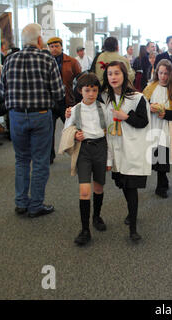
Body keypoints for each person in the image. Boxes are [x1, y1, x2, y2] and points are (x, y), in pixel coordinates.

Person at [0, 23, 65, 217]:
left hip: (16, 116)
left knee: (21, 160)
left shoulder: (9, 60)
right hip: (41, 116)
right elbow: (59, 92)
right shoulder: (47, 59)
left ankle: (21, 202)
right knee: (40, 161)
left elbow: (2, 90)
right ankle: (36, 205)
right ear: (39, 40)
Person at [103, 61, 152, 241]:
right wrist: (71, 112)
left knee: (131, 187)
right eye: (110, 74)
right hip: (115, 149)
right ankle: (132, 214)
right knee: (123, 184)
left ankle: (133, 227)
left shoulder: (137, 98)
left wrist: (126, 117)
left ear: (124, 75)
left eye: (117, 73)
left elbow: (143, 122)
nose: (113, 77)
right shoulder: (105, 98)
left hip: (132, 148)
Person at [63, 73, 109, 246]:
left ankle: (96, 217)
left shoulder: (103, 109)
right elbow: (66, 130)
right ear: (80, 91)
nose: (91, 93)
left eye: (94, 90)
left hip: (100, 149)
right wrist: (75, 133)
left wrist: (109, 159)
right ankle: (85, 229)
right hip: (84, 151)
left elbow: (110, 135)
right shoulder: (75, 110)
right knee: (84, 191)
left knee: (98, 187)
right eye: (87, 90)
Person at [143, 59, 172, 198]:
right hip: (153, 125)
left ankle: (161, 186)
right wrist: (150, 107)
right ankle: (163, 180)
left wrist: (167, 113)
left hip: (167, 126)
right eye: (160, 73)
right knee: (155, 155)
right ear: (156, 73)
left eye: (166, 73)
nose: (163, 76)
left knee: (164, 156)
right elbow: (142, 104)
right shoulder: (150, 87)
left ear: (170, 74)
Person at [47, 37, 82, 164]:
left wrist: (79, 100)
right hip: (50, 102)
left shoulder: (71, 61)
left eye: (56, 46)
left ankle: (78, 155)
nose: (54, 49)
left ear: (61, 46)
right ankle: (49, 156)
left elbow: (81, 80)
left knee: (72, 129)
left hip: (67, 101)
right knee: (48, 131)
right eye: (51, 46)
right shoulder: (46, 61)